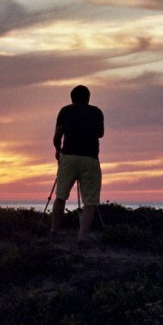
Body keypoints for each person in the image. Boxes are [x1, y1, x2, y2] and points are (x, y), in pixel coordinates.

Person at [51, 85, 104, 243]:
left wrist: (57, 150)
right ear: (88, 98)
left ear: (72, 98)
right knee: (90, 201)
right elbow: (100, 133)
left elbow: (57, 136)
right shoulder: (97, 112)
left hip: (69, 157)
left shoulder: (65, 111)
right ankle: (81, 238)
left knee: (61, 196)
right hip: (90, 158)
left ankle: (54, 230)